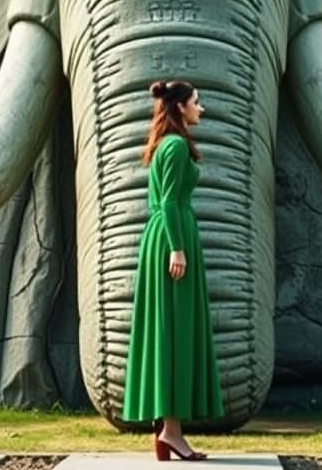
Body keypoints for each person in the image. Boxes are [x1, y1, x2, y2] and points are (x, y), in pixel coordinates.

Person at [122, 79, 224, 460]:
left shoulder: (165, 144)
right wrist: (178, 249)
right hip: (171, 241)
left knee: (168, 334)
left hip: (163, 239)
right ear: (180, 107)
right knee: (175, 335)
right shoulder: (177, 146)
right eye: (197, 102)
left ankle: (169, 432)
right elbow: (167, 202)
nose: (202, 108)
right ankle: (171, 433)